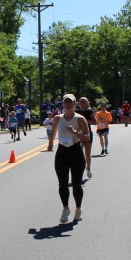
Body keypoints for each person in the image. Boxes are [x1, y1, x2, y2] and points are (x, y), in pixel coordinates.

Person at [54, 94, 90, 223]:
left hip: (75, 152)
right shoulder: (58, 118)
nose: (68, 104)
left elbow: (87, 138)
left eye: (71, 102)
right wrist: (50, 143)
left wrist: (76, 132)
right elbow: (53, 131)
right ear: (63, 104)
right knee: (62, 184)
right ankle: (65, 209)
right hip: (62, 152)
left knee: (76, 184)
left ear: (75, 104)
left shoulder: (80, 119)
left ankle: (78, 208)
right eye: (66, 102)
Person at [76, 97, 96, 178]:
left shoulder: (89, 111)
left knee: (87, 154)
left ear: (87, 102)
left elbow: (95, 122)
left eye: (84, 101)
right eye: (81, 101)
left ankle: (88, 169)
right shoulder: (76, 111)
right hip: (78, 134)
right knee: (78, 154)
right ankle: (80, 169)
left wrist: (84, 120)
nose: (82, 103)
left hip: (87, 134)